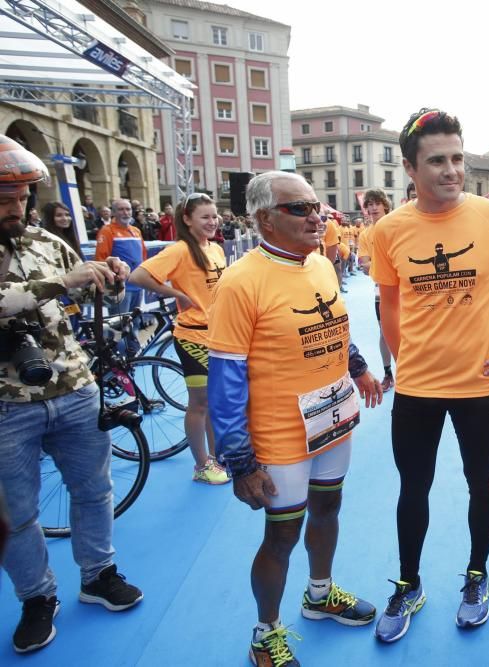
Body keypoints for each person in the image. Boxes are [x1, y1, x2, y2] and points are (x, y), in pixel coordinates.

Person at [370, 108, 489, 642]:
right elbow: (390, 306)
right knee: (413, 488)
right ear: (409, 167)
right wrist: (406, 361)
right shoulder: (389, 229)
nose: (452, 170)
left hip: (478, 385)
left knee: (481, 481)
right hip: (418, 389)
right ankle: (408, 582)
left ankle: (476, 573)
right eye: (438, 161)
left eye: (457, 159)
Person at [208, 171, 383, 666]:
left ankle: (319, 594)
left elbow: (331, 323)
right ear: (265, 218)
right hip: (280, 433)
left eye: (318, 207)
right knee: (282, 533)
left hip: (332, 418)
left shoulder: (321, 265)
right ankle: (266, 633)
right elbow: (225, 379)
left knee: (329, 509)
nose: (318, 217)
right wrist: (240, 461)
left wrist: (359, 368)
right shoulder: (241, 281)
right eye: (301, 209)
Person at [0, 135, 142, 654]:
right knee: (16, 514)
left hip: (74, 388)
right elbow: (38, 292)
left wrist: (110, 279)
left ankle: (98, 574)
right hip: (7, 405)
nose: (16, 208)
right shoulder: (52, 257)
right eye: (3, 199)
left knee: (94, 490)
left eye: (21, 197)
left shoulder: (45, 241)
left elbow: (85, 292)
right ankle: (37, 598)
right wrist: (63, 281)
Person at [128, 193, 229, 485]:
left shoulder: (215, 250)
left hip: (218, 335)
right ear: (187, 220)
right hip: (192, 337)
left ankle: (216, 457)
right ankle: (201, 465)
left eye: (214, 216)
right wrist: (177, 294)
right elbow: (138, 276)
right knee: (200, 403)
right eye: (204, 217)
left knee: (214, 401)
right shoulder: (181, 250)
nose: (212, 222)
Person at [356, 188, 395, 392]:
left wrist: (375, 266)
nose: (372, 208)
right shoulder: (365, 234)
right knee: (385, 332)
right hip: (381, 291)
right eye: (369, 204)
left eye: (376, 203)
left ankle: (413, 373)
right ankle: (388, 373)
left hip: (406, 290)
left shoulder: (397, 226)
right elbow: (364, 265)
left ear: (385, 205)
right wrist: (381, 267)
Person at [95, 199, 147, 315]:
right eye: (121, 209)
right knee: (120, 326)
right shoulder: (107, 231)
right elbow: (100, 259)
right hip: (121, 288)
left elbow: (143, 256)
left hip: (138, 286)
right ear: (113, 212)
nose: (125, 212)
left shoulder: (136, 231)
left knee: (135, 322)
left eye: (128, 209)